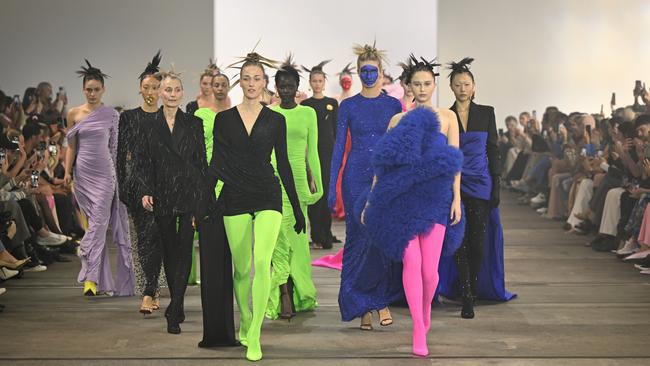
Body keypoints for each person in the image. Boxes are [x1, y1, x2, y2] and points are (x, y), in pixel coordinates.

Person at [361, 54, 464, 357]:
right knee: (412, 263)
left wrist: (457, 197)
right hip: (402, 199)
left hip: (435, 198)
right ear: (408, 85)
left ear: (434, 85)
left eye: (427, 83)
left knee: (431, 272)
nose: (422, 88)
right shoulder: (397, 121)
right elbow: (384, 165)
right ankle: (419, 328)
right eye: (416, 83)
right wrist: (373, 199)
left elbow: (455, 160)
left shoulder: (447, 117)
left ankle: (425, 313)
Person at [206, 50, 305, 361]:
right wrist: (204, 200)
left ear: (265, 83)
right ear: (241, 81)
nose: (251, 83)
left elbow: (285, 164)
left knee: (262, 263)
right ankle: (246, 320)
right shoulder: (223, 120)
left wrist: (297, 207)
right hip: (234, 195)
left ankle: (256, 334)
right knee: (241, 270)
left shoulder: (276, 120)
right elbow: (216, 163)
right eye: (246, 78)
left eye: (257, 78)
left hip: (267, 193)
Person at [329, 42, 402, 330]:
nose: (369, 75)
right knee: (358, 240)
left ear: (382, 73)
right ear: (358, 73)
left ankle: (380, 299)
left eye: (373, 71)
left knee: (380, 240)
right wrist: (331, 187)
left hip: (384, 178)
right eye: (364, 71)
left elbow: (400, 145)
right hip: (355, 178)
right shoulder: (348, 106)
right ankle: (362, 306)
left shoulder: (393, 105)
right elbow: (337, 148)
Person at [438, 57, 516, 319]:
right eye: (458, 84)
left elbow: (492, 149)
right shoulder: (445, 115)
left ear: (474, 87)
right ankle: (467, 294)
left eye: (467, 84)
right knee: (459, 239)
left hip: (482, 182)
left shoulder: (486, 112)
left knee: (478, 242)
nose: (462, 88)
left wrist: (497, 182)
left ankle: (471, 285)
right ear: (451, 87)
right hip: (455, 182)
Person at [136, 67, 208, 334]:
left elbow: (201, 163)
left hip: (187, 193)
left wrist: (201, 199)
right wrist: (144, 189)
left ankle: (175, 307)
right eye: (168, 89)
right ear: (159, 92)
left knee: (186, 248)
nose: (173, 94)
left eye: (177, 90)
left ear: (182, 93)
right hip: (162, 193)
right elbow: (142, 162)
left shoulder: (194, 123)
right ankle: (176, 304)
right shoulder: (149, 125)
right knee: (169, 249)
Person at [64, 60, 134, 297]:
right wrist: (66, 172)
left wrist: (119, 177)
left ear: (103, 89)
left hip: (105, 175)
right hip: (82, 175)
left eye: (96, 89)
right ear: (83, 89)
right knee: (94, 223)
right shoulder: (73, 113)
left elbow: (114, 148)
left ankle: (90, 275)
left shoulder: (111, 114)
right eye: (88, 89)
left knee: (98, 224)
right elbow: (71, 146)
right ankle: (95, 281)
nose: (92, 93)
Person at [265, 56, 321, 320]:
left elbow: (314, 154)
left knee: (298, 241)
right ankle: (283, 293)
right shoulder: (269, 113)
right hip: (274, 181)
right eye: (282, 86)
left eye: (290, 86)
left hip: (298, 182)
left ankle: (300, 292)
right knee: (277, 239)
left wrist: (318, 186)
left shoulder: (308, 113)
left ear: (297, 86)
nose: (286, 90)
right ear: (276, 87)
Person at [116, 51, 166, 313]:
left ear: (161, 89)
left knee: (155, 234)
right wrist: (123, 187)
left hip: (162, 184)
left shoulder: (166, 118)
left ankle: (149, 290)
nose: (151, 91)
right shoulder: (128, 118)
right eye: (146, 87)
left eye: (155, 87)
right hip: (136, 185)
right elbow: (120, 154)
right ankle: (151, 287)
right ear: (139, 88)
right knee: (145, 237)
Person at [194, 70, 239, 348]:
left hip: (230, 188)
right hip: (206, 188)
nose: (218, 87)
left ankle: (227, 329)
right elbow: (195, 154)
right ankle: (214, 332)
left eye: (222, 84)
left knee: (232, 262)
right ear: (208, 86)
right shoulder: (199, 115)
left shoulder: (234, 113)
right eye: (214, 84)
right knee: (211, 261)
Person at [301, 60, 338, 250]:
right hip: (310, 153)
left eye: (320, 81)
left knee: (326, 196)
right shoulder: (305, 105)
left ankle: (326, 234)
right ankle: (316, 235)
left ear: (324, 82)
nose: (317, 84)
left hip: (328, 154)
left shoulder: (332, 103)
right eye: (314, 81)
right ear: (310, 82)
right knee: (314, 193)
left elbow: (336, 131)